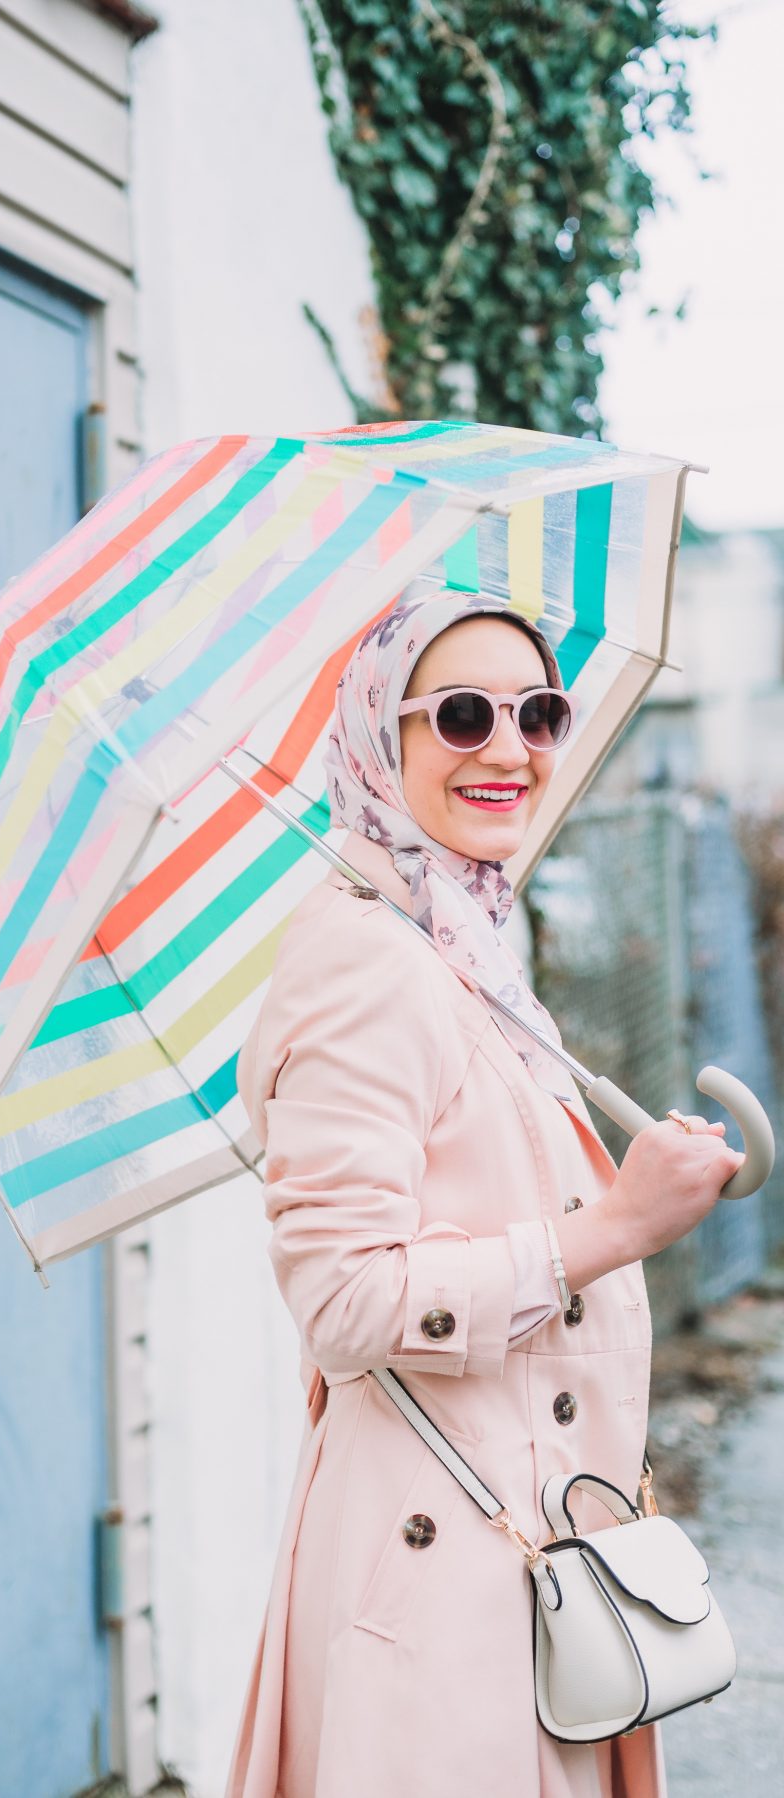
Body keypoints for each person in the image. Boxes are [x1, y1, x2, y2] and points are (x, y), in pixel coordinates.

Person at [225, 588, 742, 1798]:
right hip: (447, 1583)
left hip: (524, 1558)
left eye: (539, 712)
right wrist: (612, 1226)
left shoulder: (460, 942)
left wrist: (637, 1185)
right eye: (460, 714)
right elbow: (343, 1302)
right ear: (380, 739)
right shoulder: (366, 962)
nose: (509, 747)